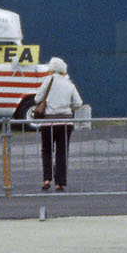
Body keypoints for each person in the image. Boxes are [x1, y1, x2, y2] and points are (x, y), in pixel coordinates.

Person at [33, 56, 84, 191]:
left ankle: (47, 179)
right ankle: (59, 182)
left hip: (48, 122)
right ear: (63, 70)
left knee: (47, 150)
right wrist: (67, 106)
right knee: (62, 151)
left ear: (51, 69)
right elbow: (79, 103)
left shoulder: (47, 81)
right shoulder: (69, 84)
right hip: (65, 121)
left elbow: (37, 98)